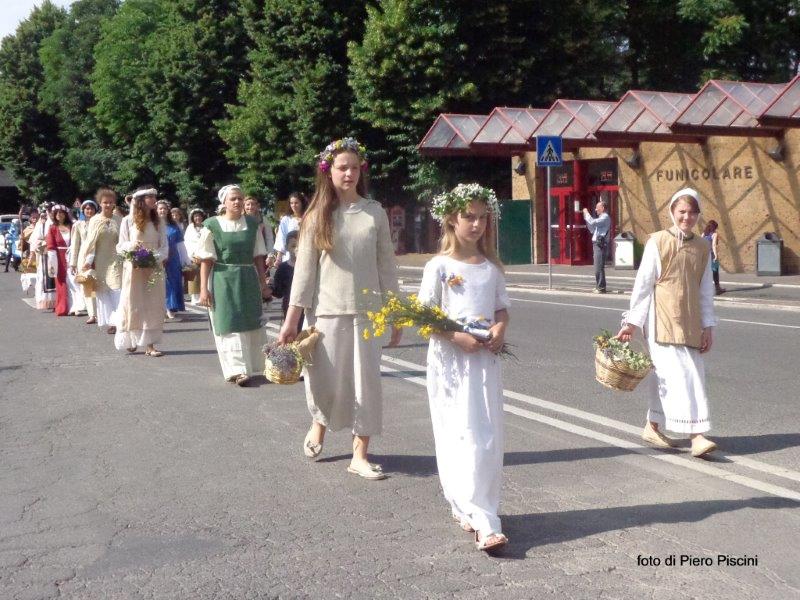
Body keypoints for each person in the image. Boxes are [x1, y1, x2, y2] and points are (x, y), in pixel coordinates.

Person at [278, 137, 400, 480]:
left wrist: (395, 313)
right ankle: (319, 421)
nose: (349, 174)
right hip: (327, 312)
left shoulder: (374, 212)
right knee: (325, 380)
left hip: (368, 312)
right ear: (327, 171)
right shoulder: (317, 215)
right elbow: (303, 274)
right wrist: (291, 321)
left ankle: (359, 455)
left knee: (366, 385)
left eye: (355, 168)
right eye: (342, 167)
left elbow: (387, 267)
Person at [418, 183, 510, 553]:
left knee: (485, 437)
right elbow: (424, 316)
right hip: (451, 361)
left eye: (483, 218)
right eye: (469, 217)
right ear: (452, 220)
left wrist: (499, 329)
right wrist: (456, 336)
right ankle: (467, 507)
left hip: (483, 362)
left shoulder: (491, 268)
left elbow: (500, 309)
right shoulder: (439, 266)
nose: (476, 224)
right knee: (456, 433)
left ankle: (484, 514)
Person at [616, 187, 718, 459]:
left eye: (692, 212)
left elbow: (705, 290)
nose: (687, 217)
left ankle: (652, 425)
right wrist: (632, 323)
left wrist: (708, 326)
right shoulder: (658, 242)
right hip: (661, 321)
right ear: (672, 212)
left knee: (666, 376)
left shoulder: (702, 247)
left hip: (690, 322)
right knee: (685, 376)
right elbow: (643, 285)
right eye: (682, 211)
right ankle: (696, 435)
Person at [195, 184, 271, 385]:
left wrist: (263, 284)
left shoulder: (252, 224)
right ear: (224, 202)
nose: (237, 202)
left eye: (240, 198)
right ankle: (237, 370)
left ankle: (254, 365)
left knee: (250, 319)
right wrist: (203, 290)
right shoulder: (212, 225)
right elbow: (206, 260)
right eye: (233, 199)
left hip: (247, 277)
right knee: (229, 321)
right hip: (223, 278)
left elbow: (258, 257)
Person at [114, 187, 168, 356]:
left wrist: (154, 257)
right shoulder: (128, 221)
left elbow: (164, 246)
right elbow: (120, 245)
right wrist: (133, 249)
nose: (154, 200)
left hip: (153, 267)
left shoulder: (158, 221)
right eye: (150, 197)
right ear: (141, 200)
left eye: (154, 197)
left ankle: (150, 345)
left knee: (152, 303)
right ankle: (131, 338)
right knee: (133, 302)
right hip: (134, 268)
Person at [83, 188, 122, 334]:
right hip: (101, 260)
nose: (108, 205)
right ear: (100, 203)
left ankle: (120, 321)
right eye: (105, 202)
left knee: (117, 289)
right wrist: (88, 260)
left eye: (111, 202)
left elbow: (124, 240)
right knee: (103, 290)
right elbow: (91, 242)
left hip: (116, 259)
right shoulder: (94, 220)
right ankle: (111, 322)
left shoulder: (119, 220)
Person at [156, 200, 187, 319]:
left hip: (173, 258)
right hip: (158, 258)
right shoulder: (153, 225)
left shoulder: (174, 226)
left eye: (164, 208)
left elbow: (180, 245)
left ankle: (170, 307)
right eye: (160, 208)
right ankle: (162, 308)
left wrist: (186, 261)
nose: (162, 210)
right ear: (156, 210)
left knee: (172, 282)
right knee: (161, 283)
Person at [69, 200, 98, 322]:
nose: (89, 211)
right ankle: (92, 314)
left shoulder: (100, 222)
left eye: (91, 208)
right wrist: (73, 263)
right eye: (87, 209)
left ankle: (102, 312)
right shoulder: (78, 225)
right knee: (88, 285)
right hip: (84, 257)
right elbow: (75, 244)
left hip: (99, 256)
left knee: (99, 285)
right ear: (83, 210)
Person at [270, 230, 302, 332]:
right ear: (286, 247)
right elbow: (278, 292)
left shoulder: (310, 267)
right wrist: (270, 286)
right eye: (293, 246)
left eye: (299, 246)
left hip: (307, 307)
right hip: (289, 306)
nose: (296, 249)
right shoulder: (283, 268)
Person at [46, 205, 75, 317]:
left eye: (61, 212)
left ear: (66, 214)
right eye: (57, 213)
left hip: (72, 255)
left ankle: (75, 306)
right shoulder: (53, 228)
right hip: (58, 257)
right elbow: (50, 244)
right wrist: (52, 261)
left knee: (73, 281)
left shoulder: (72, 226)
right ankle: (63, 307)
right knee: (61, 282)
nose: (59, 215)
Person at [244, 195, 275, 297]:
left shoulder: (263, 220)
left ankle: (262, 298)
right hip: (246, 255)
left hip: (261, 254)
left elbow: (269, 238)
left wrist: (270, 255)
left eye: (253, 204)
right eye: (248, 204)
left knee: (262, 279)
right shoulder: (241, 219)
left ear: (257, 206)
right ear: (244, 206)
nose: (250, 207)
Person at [29, 203, 56, 310]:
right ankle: (49, 302)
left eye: (52, 210)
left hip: (57, 253)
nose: (50, 212)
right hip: (45, 254)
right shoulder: (42, 223)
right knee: (46, 278)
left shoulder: (59, 222)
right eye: (48, 210)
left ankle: (59, 301)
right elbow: (35, 240)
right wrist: (32, 254)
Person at [582, 199, 611, 293]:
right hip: (596, 244)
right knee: (597, 266)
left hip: (600, 245)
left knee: (599, 267)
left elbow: (593, 222)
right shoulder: (600, 218)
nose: (595, 209)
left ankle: (601, 287)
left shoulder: (605, 217)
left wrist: (587, 213)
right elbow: (592, 229)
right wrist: (586, 218)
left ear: (603, 208)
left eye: (597, 207)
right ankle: (599, 286)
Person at [274, 191, 306, 265]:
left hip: (304, 253)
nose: (294, 205)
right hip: (290, 256)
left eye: (296, 203)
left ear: (302, 203)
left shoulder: (308, 218)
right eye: (291, 203)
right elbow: (281, 238)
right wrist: (278, 258)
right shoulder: (286, 219)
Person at [183, 208, 206, 304]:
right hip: (193, 255)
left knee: (204, 276)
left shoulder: (206, 227)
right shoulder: (190, 228)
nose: (198, 218)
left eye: (199, 216)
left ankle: (203, 296)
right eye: (196, 216)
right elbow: (187, 242)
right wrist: (192, 255)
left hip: (205, 255)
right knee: (194, 276)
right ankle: (195, 297)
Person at [702, 220, 726, 295]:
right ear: (714, 227)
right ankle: (717, 289)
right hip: (711, 254)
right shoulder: (714, 234)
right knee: (715, 271)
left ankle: (703, 289)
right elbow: (714, 245)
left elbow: (700, 244)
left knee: (705, 273)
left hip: (704, 255)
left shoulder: (703, 234)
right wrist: (715, 255)